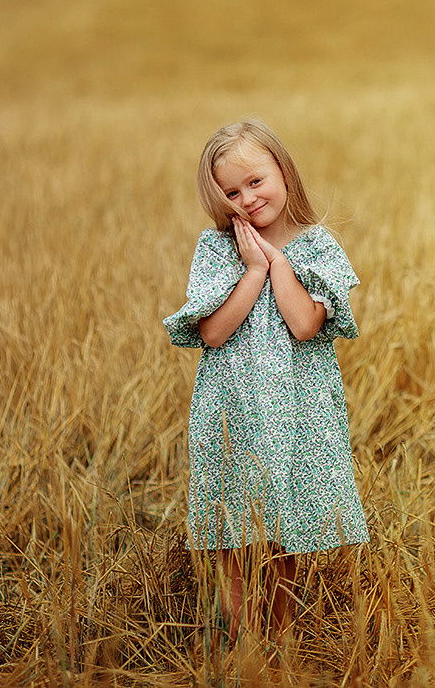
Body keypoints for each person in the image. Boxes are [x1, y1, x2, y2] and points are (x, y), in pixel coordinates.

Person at [163, 119, 368, 640]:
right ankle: (240, 640)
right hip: (232, 408)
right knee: (233, 527)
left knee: (284, 527)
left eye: (256, 181)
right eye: (232, 192)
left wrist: (276, 263)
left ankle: (278, 636)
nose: (248, 199)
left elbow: (304, 324)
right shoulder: (218, 249)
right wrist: (252, 269)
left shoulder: (316, 246)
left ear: (283, 171)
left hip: (297, 409)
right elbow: (212, 333)